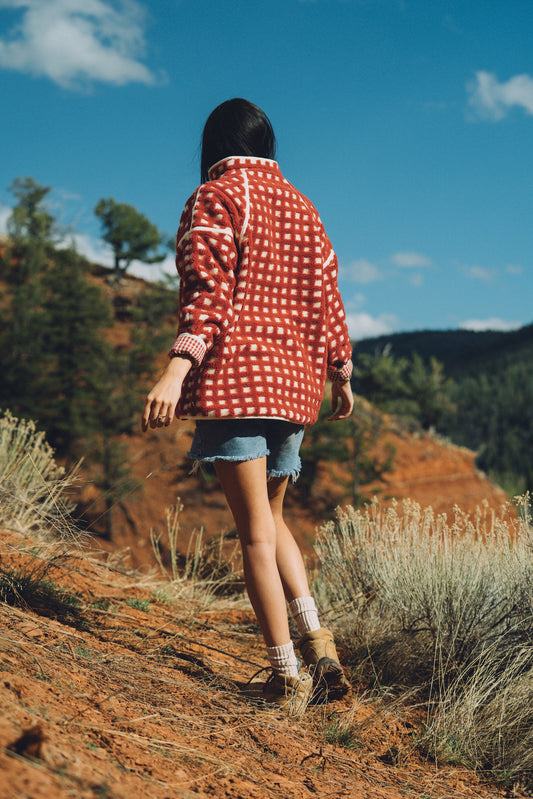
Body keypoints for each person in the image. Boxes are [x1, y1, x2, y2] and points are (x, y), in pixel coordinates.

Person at [142, 98, 354, 717]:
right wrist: (340, 374)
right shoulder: (305, 209)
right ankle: (323, 651)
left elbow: (207, 294)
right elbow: (328, 298)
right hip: (294, 390)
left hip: (237, 384)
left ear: (212, 147)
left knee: (254, 532)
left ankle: (286, 675)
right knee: (275, 519)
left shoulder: (217, 197)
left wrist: (176, 368)